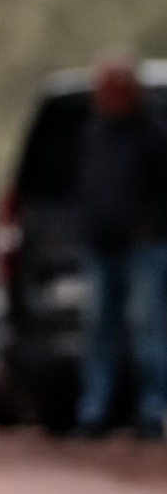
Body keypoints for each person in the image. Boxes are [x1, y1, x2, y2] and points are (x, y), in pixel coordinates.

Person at [73, 58, 167, 440]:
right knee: (98, 332)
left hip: (143, 249)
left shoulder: (153, 136)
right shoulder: (94, 135)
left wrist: (151, 228)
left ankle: (153, 409)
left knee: (148, 331)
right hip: (100, 247)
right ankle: (95, 410)